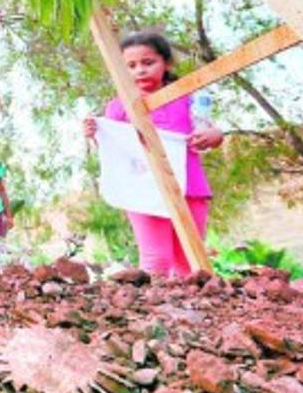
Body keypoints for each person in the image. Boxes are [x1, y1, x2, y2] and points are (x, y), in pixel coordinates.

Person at [83, 30, 223, 277]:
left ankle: (197, 301)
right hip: (143, 189)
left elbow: (208, 130)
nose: (140, 70)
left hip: (190, 187)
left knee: (191, 258)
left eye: (148, 63)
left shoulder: (186, 98)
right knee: (156, 258)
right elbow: (114, 148)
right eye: (131, 66)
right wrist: (95, 134)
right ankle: (154, 301)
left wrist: (213, 136)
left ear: (166, 63)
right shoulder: (119, 107)